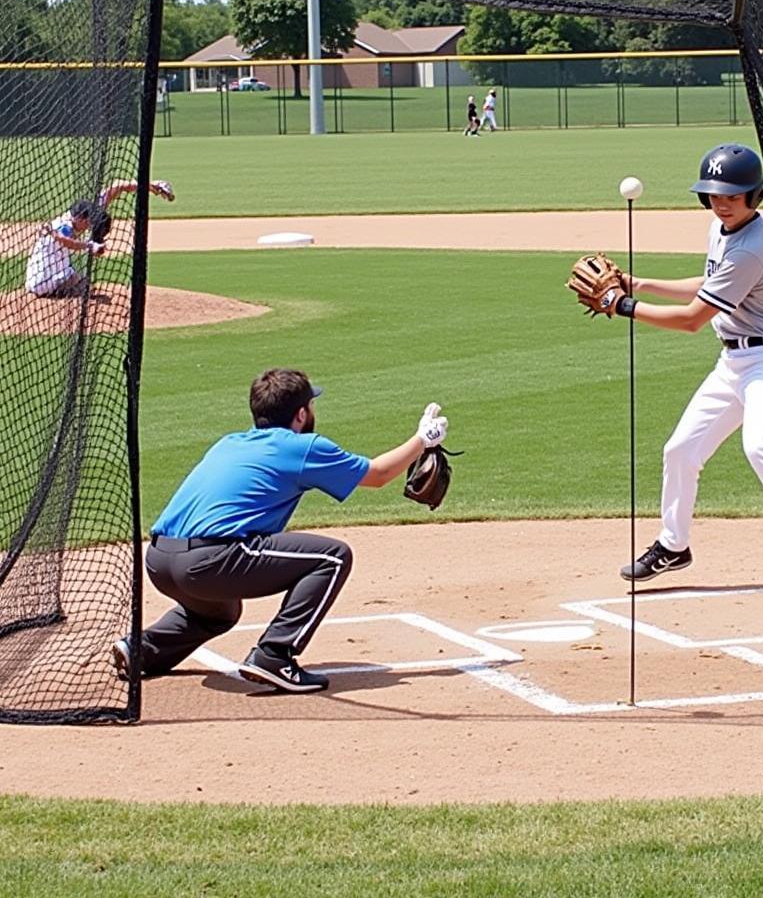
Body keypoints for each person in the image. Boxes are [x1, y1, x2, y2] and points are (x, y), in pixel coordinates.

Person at [596, 143, 763, 600]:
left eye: (732, 194)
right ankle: (673, 545)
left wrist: (624, 306)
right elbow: (708, 284)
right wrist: (639, 283)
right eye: (713, 194)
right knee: (680, 450)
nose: (721, 202)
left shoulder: (754, 246)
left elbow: (691, 319)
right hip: (732, 363)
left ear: (754, 195)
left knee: (760, 446)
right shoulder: (722, 229)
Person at [112, 368, 450, 693]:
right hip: (208, 561)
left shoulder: (230, 442)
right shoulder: (302, 447)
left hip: (159, 560)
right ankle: (274, 656)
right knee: (332, 558)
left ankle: (142, 649)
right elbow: (376, 475)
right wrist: (422, 440)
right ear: (301, 414)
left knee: (220, 613)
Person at [25, 178, 174, 297]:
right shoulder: (63, 226)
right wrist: (89, 246)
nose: (90, 224)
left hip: (48, 272)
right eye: (88, 221)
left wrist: (151, 185)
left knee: (82, 282)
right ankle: (61, 292)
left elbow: (117, 187)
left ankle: (65, 288)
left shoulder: (79, 218)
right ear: (79, 218)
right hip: (43, 281)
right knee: (84, 287)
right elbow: (65, 241)